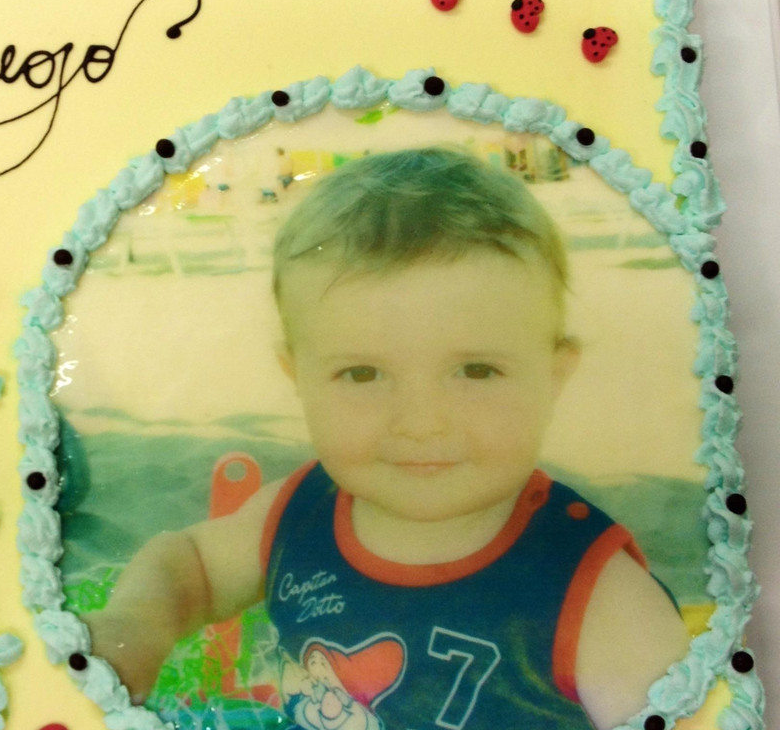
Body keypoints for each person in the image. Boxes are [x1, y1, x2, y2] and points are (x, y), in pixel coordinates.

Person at [87, 148, 689, 730]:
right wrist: (137, 623)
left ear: (553, 377)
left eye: (476, 370)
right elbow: (191, 564)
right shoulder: (299, 513)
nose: (420, 421)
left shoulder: (595, 597)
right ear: (299, 378)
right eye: (362, 374)